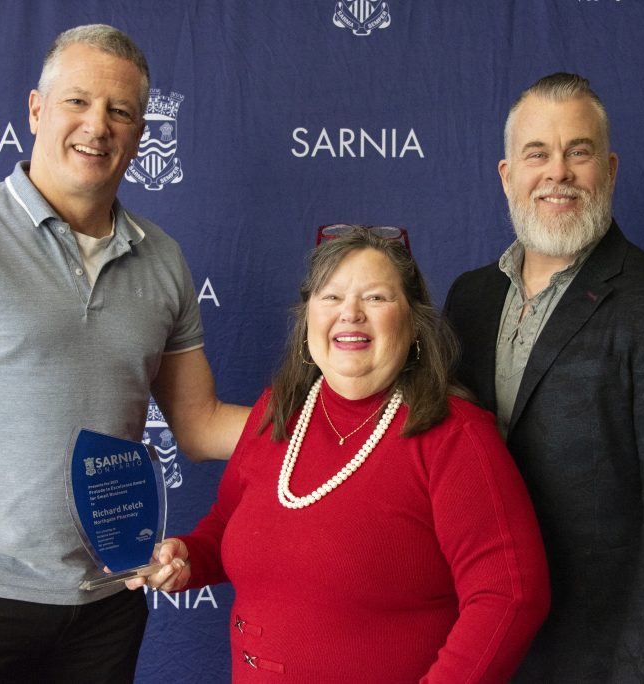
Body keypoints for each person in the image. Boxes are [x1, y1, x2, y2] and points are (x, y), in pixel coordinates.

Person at [0, 24, 249, 683]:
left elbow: (201, 423)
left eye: (120, 111)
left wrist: (330, 422)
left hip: (109, 605)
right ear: (37, 109)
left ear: (141, 131)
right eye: (78, 101)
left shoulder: (164, 260)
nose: (98, 126)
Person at [132, 226, 551, 682]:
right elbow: (225, 529)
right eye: (331, 296)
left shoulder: (453, 434)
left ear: (412, 323)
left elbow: (510, 594)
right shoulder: (277, 413)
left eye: (375, 298)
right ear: (308, 317)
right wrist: (187, 557)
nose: (350, 313)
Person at [443, 73, 644, 683]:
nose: (559, 173)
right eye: (537, 154)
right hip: (480, 648)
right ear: (506, 175)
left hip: (602, 662)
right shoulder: (468, 299)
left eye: (579, 151)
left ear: (610, 168)